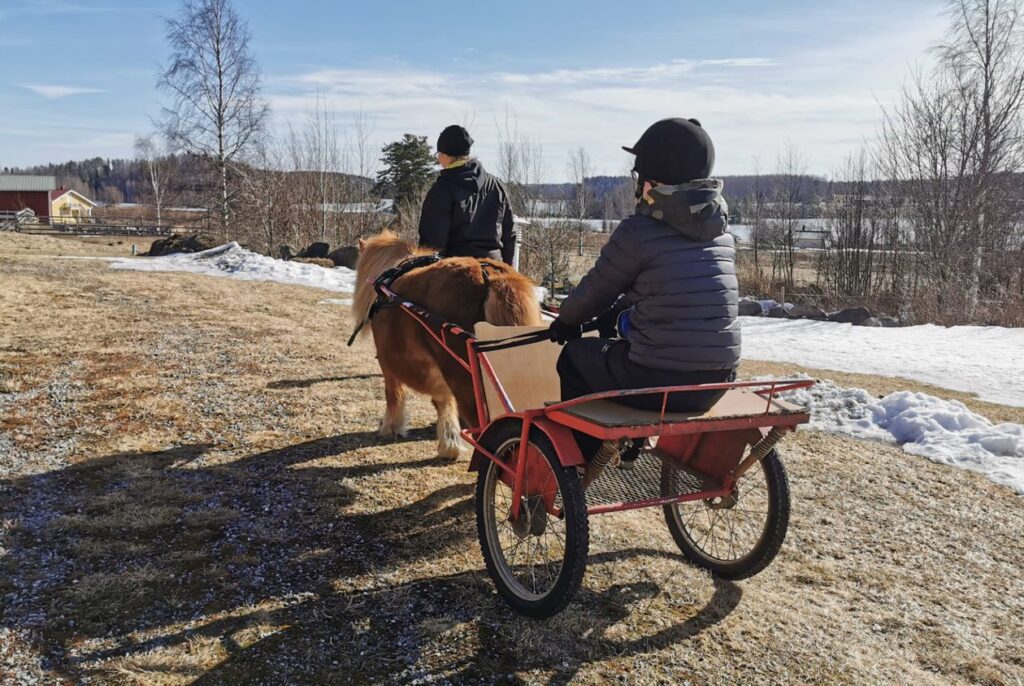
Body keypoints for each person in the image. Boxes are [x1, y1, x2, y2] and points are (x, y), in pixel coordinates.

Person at [548, 117, 740, 461]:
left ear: (652, 180)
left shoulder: (637, 232)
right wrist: (619, 312)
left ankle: (577, 463)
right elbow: (671, 293)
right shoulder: (722, 234)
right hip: (717, 380)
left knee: (575, 358)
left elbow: (593, 292)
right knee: (625, 341)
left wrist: (566, 320)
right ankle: (631, 443)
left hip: (660, 382)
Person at [418, 124, 517, 265]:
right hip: (495, 266)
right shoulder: (497, 185)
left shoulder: (442, 189)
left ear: (446, 156)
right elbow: (509, 234)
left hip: (457, 270)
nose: (438, 158)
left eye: (438, 154)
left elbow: (432, 242)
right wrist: (506, 269)